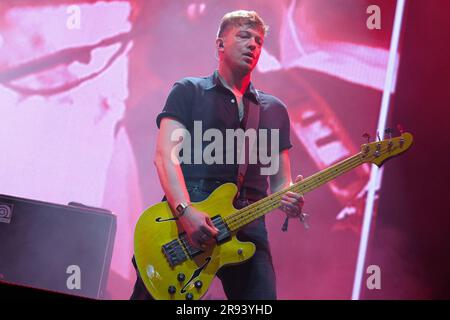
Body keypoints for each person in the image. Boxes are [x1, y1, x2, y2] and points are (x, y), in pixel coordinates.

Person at [131, 10, 305, 300]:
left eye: (259, 41)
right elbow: (165, 157)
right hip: (185, 215)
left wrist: (290, 199)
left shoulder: (275, 110)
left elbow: (280, 183)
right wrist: (185, 212)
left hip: (248, 225)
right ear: (220, 44)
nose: (253, 45)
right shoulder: (189, 91)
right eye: (244, 36)